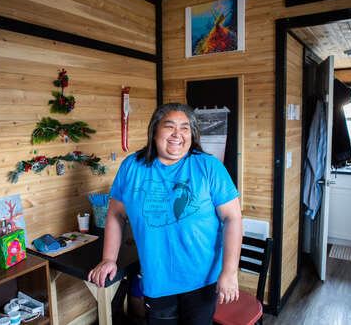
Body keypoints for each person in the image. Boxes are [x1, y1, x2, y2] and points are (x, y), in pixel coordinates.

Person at [88, 103, 243, 325]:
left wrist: (229, 272)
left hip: (203, 279)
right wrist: (108, 259)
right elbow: (115, 215)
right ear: (154, 131)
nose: (177, 134)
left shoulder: (209, 166)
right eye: (169, 126)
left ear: (192, 134)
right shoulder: (132, 167)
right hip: (157, 279)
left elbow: (233, 218)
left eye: (185, 128)